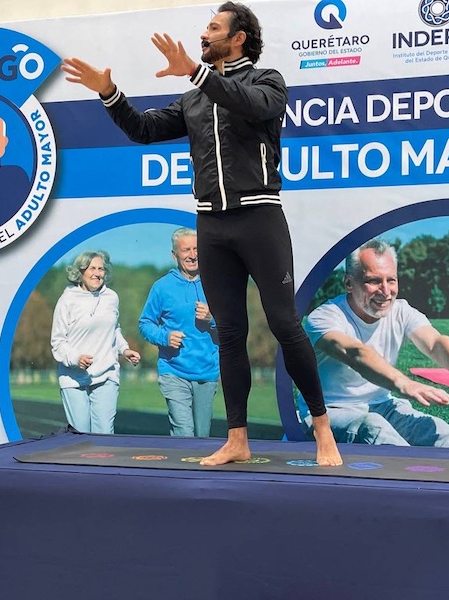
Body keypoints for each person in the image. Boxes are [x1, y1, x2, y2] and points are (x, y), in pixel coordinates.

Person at [61, 2, 342, 465]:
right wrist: (109, 93)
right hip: (211, 225)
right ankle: (237, 439)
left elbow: (249, 104)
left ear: (239, 38)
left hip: (260, 218)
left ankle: (323, 430)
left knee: (284, 325)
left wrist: (195, 72)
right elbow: (144, 130)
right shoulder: (195, 97)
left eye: (213, 28)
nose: (203, 34)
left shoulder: (266, 81)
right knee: (228, 333)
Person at [299, 239, 449, 447]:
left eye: (391, 280)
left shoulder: (401, 311)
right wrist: (404, 383)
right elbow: (355, 353)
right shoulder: (324, 318)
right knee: (374, 429)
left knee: (441, 433)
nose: (385, 291)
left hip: (383, 405)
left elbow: (435, 343)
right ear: (349, 283)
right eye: (374, 281)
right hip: (328, 411)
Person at [139, 228, 219, 437]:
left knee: (202, 436)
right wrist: (164, 337)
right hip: (173, 371)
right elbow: (145, 323)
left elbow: (233, 328)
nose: (192, 255)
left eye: (196, 249)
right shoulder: (162, 287)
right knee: (184, 433)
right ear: (175, 255)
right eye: (186, 250)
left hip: (207, 371)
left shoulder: (217, 283)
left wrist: (211, 320)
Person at [51, 250, 141, 433]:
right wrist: (76, 358)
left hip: (107, 373)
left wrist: (124, 349)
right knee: (81, 434)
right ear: (80, 271)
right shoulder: (67, 300)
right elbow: (58, 341)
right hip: (74, 377)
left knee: (104, 435)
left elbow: (114, 329)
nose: (97, 273)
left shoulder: (111, 298)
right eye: (92, 268)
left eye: (101, 269)